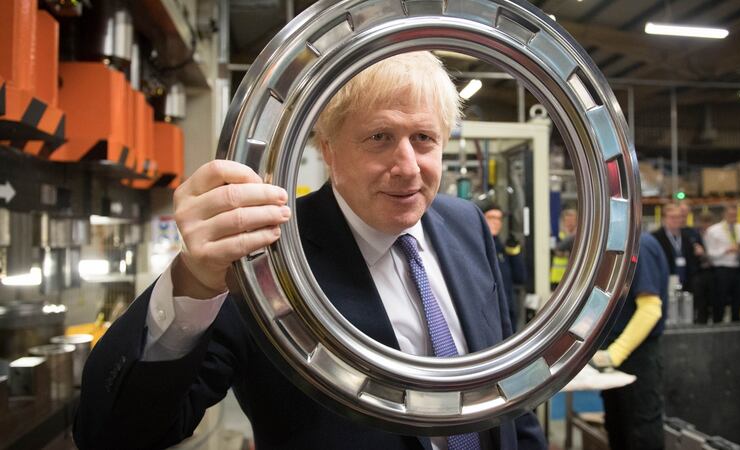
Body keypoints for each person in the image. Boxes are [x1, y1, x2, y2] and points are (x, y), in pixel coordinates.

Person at [73, 52, 546, 450]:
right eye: (380, 137)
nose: (407, 167)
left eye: (423, 138)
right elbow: (117, 433)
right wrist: (193, 282)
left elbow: (502, 383)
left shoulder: (464, 224)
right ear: (327, 149)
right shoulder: (268, 254)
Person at [592, 233, 669, 450]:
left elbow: (650, 310)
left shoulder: (639, 245)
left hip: (637, 358)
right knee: (617, 427)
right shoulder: (615, 247)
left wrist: (615, 353)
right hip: (615, 358)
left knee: (641, 431)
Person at [480, 202, 527, 331]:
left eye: (499, 219)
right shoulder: (477, 247)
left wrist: (514, 253)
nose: (496, 222)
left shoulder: (502, 247)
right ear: (481, 219)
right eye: (491, 218)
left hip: (507, 309)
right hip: (487, 315)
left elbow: (520, 277)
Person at [704, 204, 740, 322]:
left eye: (735, 214)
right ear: (724, 214)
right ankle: (717, 325)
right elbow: (709, 253)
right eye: (730, 214)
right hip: (722, 270)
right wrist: (726, 250)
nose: (733, 216)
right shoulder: (713, 230)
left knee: (738, 301)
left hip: (739, 269)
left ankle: (736, 326)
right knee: (719, 301)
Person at [652, 204, 704, 292]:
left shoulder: (687, 237)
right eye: (672, 217)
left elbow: (694, 262)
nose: (676, 220)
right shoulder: (656, 237)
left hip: (687, 283)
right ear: (664, 219)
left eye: (679, 217)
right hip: (665, 282)